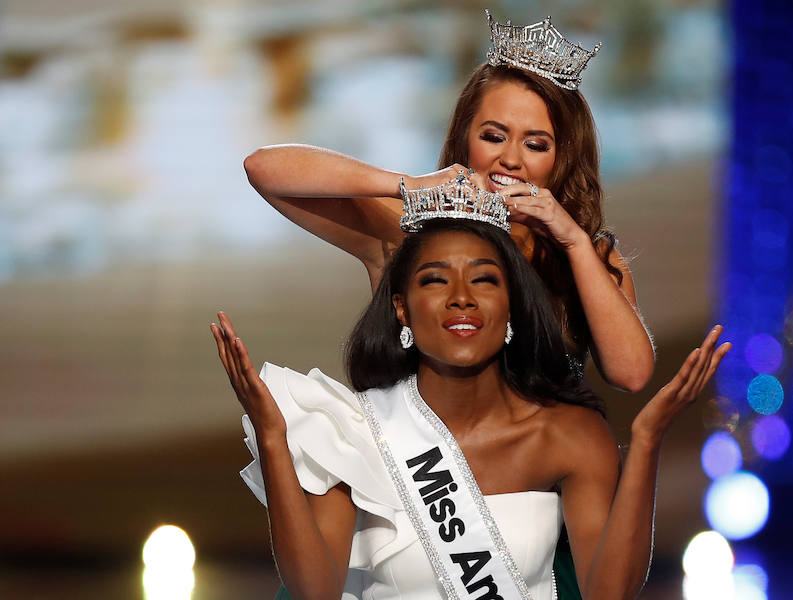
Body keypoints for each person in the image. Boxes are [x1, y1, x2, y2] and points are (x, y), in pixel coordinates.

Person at [211, 217, 730, 599]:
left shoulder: (567, 435)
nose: (461, 297)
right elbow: (313, 591)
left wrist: (646, 442)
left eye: (484, 279)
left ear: (510, 307)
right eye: (435, 280)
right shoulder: (354, 428)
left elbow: (606, 595)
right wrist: (275, 440)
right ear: (401, 307)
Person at [241, 13, 655, 393]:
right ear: (464, 137)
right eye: (493, 136)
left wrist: (575, 243)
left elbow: (632, 374)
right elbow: (265, 168)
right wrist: (410, 185)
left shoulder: (590, 255)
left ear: (562, 156)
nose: (510, 159)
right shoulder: (411, 231)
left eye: (535, 144)